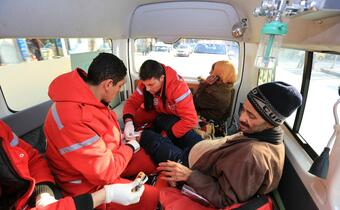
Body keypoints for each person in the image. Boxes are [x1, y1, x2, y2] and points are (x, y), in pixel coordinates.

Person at [157, 81, 303, 209]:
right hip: (206, 153)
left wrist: (188, 175)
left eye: (251, 116)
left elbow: (225, 199)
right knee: (166, 120)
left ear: (271, 122)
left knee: (150, 138)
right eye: (243, 109)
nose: (242, 118)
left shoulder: (252, 155)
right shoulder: (262, 133)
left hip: (192, 166)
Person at [44, 53, 159, 210]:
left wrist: (123, 140)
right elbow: (105, 171)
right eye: (119, 87)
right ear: (108, 84)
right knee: (152, 197)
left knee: (154, 161)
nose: (119, 91)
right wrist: (130, 146)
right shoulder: (73, 117)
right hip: (87, 184)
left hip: (108, 157)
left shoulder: (88, 96)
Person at [0, 120, 144, 210]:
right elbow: (105, 171)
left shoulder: (1, 128)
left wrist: (43, 192)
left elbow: (32, 158)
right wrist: (106, 195)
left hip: (39, 194)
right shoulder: (75, 116)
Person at [122, 59, 202, 166]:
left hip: (178, 121)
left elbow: (190, 120)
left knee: (198, 148)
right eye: (145, 85)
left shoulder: (178, 88)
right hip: (160, 116)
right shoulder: (146, 83)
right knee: (153, 122)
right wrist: (128, 122)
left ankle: (200, 155)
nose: (147, 89)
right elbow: (132, 102)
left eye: (151, 85)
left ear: (162, 78)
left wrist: (167, 135)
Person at [194, 60, 237, 137]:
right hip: (214, 117)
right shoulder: (226, 87)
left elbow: (194, 102)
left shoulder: (215, 93)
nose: (210, 72)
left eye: (212, 70)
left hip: (205, 120)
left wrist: (204, 84)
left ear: (219, 75)